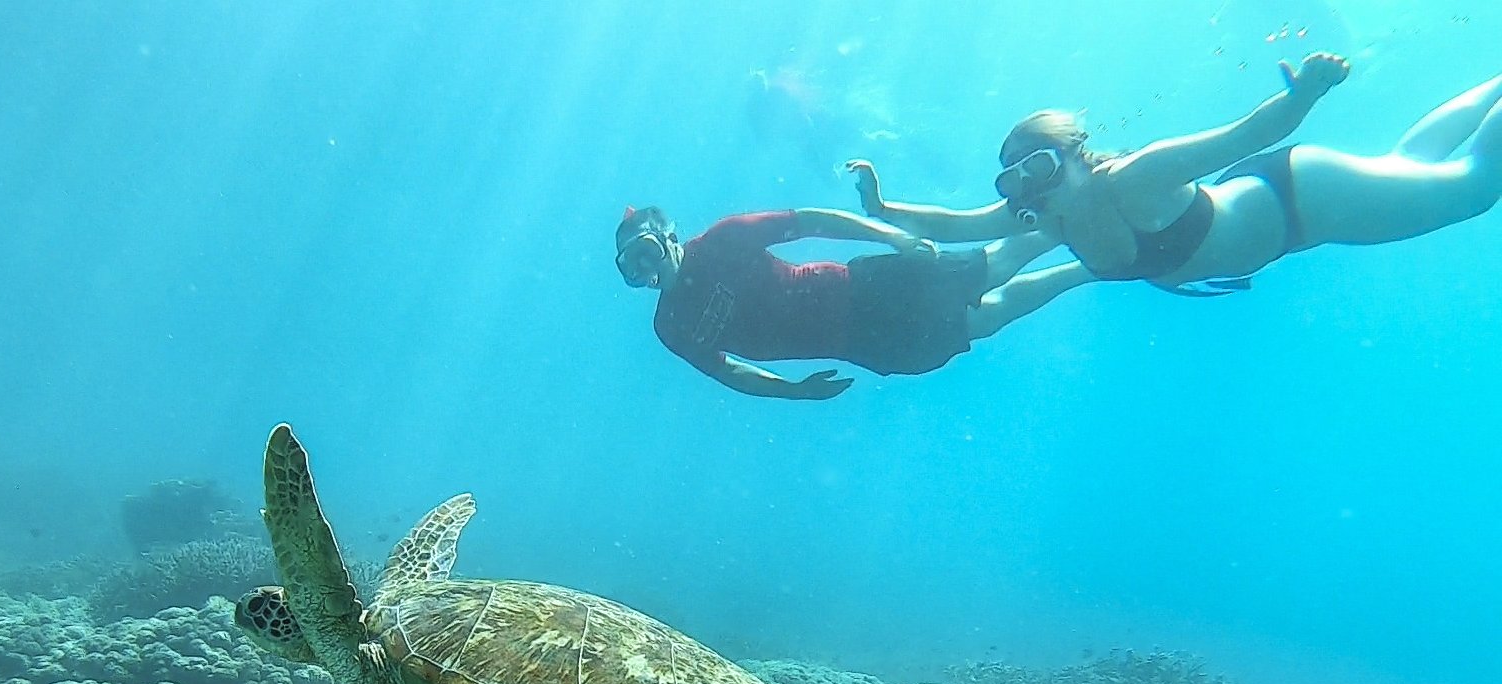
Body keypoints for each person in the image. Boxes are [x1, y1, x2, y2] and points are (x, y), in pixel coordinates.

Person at [847, 56, 1502, 296]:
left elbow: (1247, 135)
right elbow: (954, 225)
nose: (1032, 188)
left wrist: (1305, 93)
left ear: (1075, 154)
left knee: (1475, 189)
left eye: (1040, 166)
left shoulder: (1134, 177)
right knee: (1410, 164)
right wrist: (882, 206)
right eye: (1014, 181)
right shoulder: (1047, 216)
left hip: (1305, 198)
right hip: (1286, 217)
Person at [615, 205, 1092, 399]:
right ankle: (1089, 269)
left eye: (646, 251)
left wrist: (893, 237)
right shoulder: (671, 327)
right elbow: (729, 372)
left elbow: (813, 221)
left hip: (865, 288)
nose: (646, 269)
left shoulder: (724, 239)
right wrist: (794, 391)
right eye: (631, 268)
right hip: (861, 344)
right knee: (982, 322)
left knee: (989, 268)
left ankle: (1071, 219)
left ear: (669, 236)